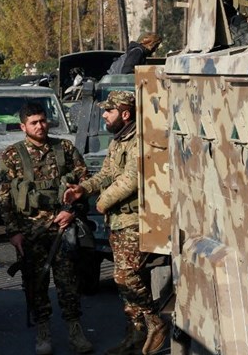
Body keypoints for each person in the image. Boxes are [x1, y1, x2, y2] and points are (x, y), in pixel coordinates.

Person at [64, 91, 165, 355]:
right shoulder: (119, 140)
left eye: (108, 112)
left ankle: (155, 321)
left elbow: (131, 179)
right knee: (129, 282)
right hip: (118, 221)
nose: (104, 116)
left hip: (135, 220)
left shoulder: (139, 141)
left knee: (125, 275)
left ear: (125, 114)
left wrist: (102, 201)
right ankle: (136, 336)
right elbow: (107, 173)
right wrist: (83, 189)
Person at [0, 103, 93, 355]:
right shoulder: (12, 155)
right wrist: (13, 233)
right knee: (35, 283)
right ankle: (43, 331)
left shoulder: (65, 148)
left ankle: (75, 330)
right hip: (30, 232)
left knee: (68, 282)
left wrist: (71, 212)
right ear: (23, 127)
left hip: (62, 227)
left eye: (42, 121)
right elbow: (5, 197)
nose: (40, 126)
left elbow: (85, 184)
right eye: (33, 123)